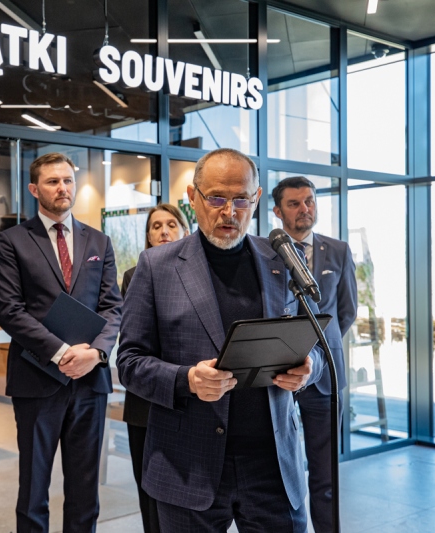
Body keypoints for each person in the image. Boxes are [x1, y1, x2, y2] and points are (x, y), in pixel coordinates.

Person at [117, 148, 323, 532]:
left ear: (256, 200)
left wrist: (309, 369)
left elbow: (315, 341)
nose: (229, 212)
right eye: (216, 198)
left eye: (241, 199)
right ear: (193, 198)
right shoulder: (156, 267)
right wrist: (186, 380)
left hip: (273, 465)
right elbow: (129, 362)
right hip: (188, 463)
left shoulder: (282, 259)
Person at [0, 152, 122, 533]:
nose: (62, 188)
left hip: (90, 383)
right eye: (52, 181)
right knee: (33, 489)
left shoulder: (99, 240)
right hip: (37, 381)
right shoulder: (13, 241)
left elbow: (114, 306)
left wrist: (96, 353)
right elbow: (10, 311)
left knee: (85, 490)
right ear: (34, 189)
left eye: (67, 180)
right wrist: (64, 353)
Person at [272, 176, 357, 533]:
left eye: (309, 201)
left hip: (325, 377)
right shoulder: (264, 250)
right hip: (276, 376)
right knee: (277, 470)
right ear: (277, 211)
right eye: (294, 203)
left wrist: (320, 351)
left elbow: (346, 311)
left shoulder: (338, 250)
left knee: (326, 473)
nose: (305, 209)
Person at [121, 203, 190, 533]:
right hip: (146, 404)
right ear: (147, 237)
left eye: (172, 224)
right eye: (156, 226)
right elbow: (135, 343)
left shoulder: (203, 275)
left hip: (193, 402)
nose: (164, 231)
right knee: (150, 495)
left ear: (186, 230)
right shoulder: (134, 277)